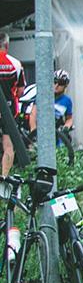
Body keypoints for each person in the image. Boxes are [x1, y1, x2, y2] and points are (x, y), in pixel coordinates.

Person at [0, 33, 26, 176]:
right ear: (7, 45)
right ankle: (4, 178)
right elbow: (21, 91)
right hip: (9, 111)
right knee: (8, 146)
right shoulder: (15, 64)